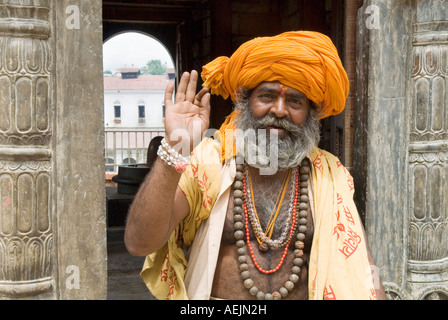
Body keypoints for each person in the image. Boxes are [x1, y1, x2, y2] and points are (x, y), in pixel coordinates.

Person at [124, 31, 387, 300]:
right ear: (244, 103)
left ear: (311, 112)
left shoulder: (328, 173)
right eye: (267, 96)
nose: (280, 110)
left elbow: (362, 271)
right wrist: (175, 148)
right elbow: (138, 242)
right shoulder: (210, 161)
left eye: (295, 101)